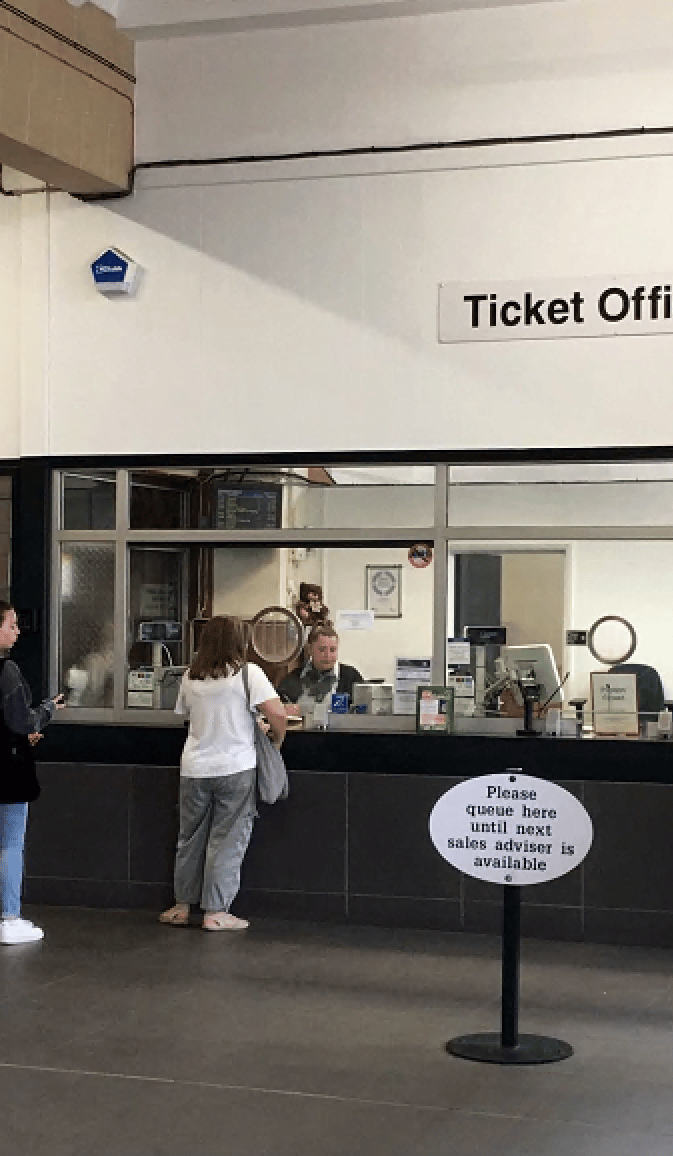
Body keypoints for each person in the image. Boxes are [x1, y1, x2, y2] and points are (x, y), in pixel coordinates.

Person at [159, 615, 286, 932]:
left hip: (194, 768)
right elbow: (278, 712)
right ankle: (216, 911)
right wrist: (277, 739)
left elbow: (186, 716)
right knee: (227, 841)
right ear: (238, 642)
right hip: (235, 768)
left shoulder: (191, 676)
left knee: (189, 838)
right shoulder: (248, 673)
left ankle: (181, 906)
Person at [0, 601, 65, 945]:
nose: (17, 630)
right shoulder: (7, 672)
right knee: (10, 844)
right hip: (8, 770)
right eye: (11, 624)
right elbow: (21, 721)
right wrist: (48, 710)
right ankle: (9, 916)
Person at [277, 624, 363, 711]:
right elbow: (278, 708)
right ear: (310, 650)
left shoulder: (351, 677)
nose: (328, 656)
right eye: (322, 650)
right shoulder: (292, 679)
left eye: (332, 650)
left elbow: (363, 711)